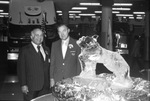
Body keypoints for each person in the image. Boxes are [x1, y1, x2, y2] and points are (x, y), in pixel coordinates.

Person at [17, 28, 50, 101]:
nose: (39, 37)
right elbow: (21, 68)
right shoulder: (25, 50)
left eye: (41, 35)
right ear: (31, 37)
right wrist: (23, 84)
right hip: (31, 86)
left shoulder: (46, 49)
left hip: (45, 86)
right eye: (37, 35)